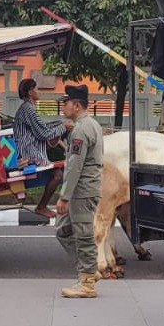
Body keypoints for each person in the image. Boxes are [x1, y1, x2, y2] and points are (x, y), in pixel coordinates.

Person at [55, 84, 104, 298]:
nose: (63, 107)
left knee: (83, 235)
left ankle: (87, 282)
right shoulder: (90, 124)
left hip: (82, 191)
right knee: (63, 230)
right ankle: (89, 269)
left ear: (76, 105)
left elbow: (76, 165)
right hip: (84, 188)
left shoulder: (82, 129)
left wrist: (64, 197)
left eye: (65, 103)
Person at [13, 77, 73, 218]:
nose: (38, 91)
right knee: (58, 175)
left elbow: (44, 128)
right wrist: (63, 127)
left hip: (32, 148)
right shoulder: (28, 109)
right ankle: (41, 206)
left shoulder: (28, 108)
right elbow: (43, 133)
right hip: (29, 151)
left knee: (58, 171)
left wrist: (60, 125)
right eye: (36, 89)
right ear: (30, 92)